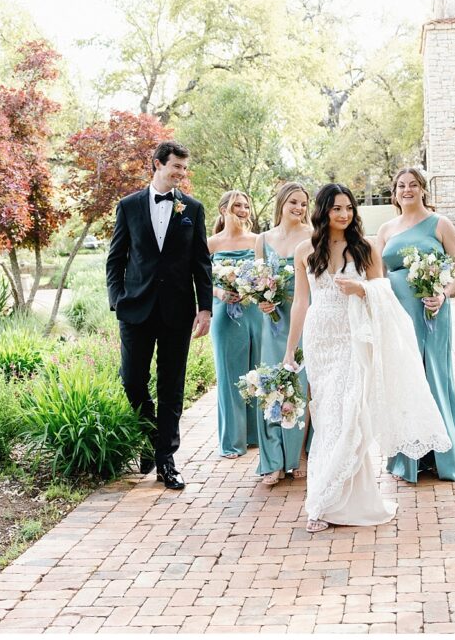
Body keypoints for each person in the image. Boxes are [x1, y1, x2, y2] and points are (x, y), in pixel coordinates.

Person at [284, 183, 450, 534]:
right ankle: (324, 499)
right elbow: (301, 302)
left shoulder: (366, 248)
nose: (344, 215)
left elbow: (385, 292)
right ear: (323, 210)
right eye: (336, 209)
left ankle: (340, 500)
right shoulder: (304, 250)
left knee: (353, 413)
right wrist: (289, 350)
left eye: (349, 208)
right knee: (328, 417)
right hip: (321, 340)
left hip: (355, 338)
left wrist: (362, 289)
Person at [106, 141, 213, 489]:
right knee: (132, 380)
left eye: (184, 168)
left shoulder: (192, 209)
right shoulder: (128, 206)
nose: (181, 173)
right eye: (176, 167)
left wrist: (205, 307)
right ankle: (152, 433)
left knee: (172, 385)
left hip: (177, 312)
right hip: (135, 309)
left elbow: (201, 262)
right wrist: (117, 300)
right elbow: (116, 259)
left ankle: (166, 458)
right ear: (157, 164)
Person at [376, 167, 455, 483]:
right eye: (401, 185)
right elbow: (379, 278)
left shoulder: (440, 223)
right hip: (397, 316)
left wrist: (444, 295)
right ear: (394, 192)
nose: (407, 190)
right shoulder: (386, 230)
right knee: (405, 380)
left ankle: (444, 456)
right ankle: (411, 459)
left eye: (413, 185)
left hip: (432, 315)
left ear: (422, 189)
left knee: (433, 376)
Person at [254, 182, 312, 485]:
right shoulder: (263, 240)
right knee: (271, 385)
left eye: (303, 203)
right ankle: (273, 460)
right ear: (281, 204)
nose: (299, 208)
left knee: (300, 386)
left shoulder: (312, 237)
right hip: (272, 323)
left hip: (302, 317)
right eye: (293, 202)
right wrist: (261, 299)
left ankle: (298, 452)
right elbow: (256, 280)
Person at [208, 190, 261, 460]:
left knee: (258, 373)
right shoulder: (210, 244)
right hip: (224, 314)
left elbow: (268, 275)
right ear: (223, 210)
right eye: (236, 205)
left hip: (255, 312)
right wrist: (219, 293)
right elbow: (199, 280)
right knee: (230, 378)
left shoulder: (258, 241)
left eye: (245, 206)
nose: (242, 210)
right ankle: (232, 442)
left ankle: (254, 435)